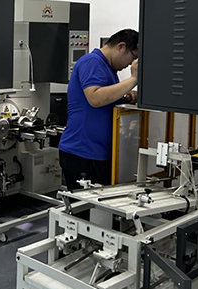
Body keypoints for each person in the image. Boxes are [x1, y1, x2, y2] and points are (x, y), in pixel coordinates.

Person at [58, 29, 139, 191]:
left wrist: (125, 96)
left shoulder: (108, 69)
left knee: (99, 205)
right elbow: (95, 98)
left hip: (98, 153)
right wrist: (133, 79)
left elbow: (106, 99)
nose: (130, 64)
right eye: (133, 57)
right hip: (82, 153)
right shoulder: (92, 61)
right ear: (121, 47)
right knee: (85, 206)